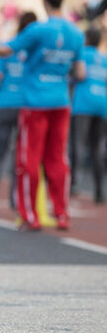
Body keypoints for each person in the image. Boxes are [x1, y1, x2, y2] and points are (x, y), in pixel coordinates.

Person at [0, 0, 86, 231]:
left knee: (29, 158)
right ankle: (62, 214)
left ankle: (31, 215)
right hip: (61, 101)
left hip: (35, 102)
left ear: (44, 1)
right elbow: (80, 72)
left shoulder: (37, 30)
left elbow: (4, 50)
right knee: (58, 159)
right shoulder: (76, 33)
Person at [0, 11, 37, 214]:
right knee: (21, 155)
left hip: (5, 103)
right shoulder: (35, 50)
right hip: (27, 105)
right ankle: (17, 202)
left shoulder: (6, 46)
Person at [69, 28, 107, 203]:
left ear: (87, 38)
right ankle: (99, 191)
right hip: (102, 105)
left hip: (83, 104)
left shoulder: (82, 54)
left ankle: (74, 184)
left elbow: (79, 74)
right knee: (97, 148)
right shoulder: (104, 59)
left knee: (78, 143)